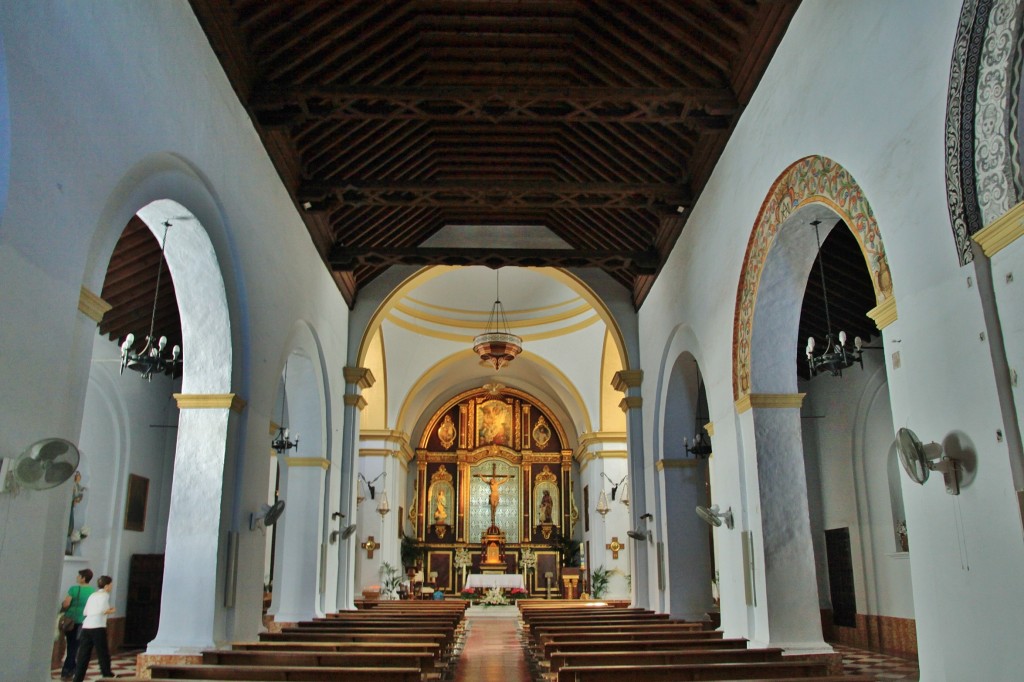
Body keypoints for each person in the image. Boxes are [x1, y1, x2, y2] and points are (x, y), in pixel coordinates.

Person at [72, 575, 115, 682]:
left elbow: (85, 612)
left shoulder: (92, 595)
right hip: (98, 627)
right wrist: (111, 611)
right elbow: (102, 610)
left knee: (83, 654)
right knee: (102, 653)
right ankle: (107, 675)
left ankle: (78, 678)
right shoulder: (105, 595)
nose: (111, 587)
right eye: (110, 585)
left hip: (86, 627)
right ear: (106, 586)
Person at [59, 568, 95, 682]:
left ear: (83, 578)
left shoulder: (74, 589)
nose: (77, 578)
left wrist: (64, 606)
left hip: (72, 620)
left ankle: (67, 670)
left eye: (79, 576)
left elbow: (66, 603)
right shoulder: (92, 591)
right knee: (77, 645)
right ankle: (73, 668)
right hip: (84, 621)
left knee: (71, 645)